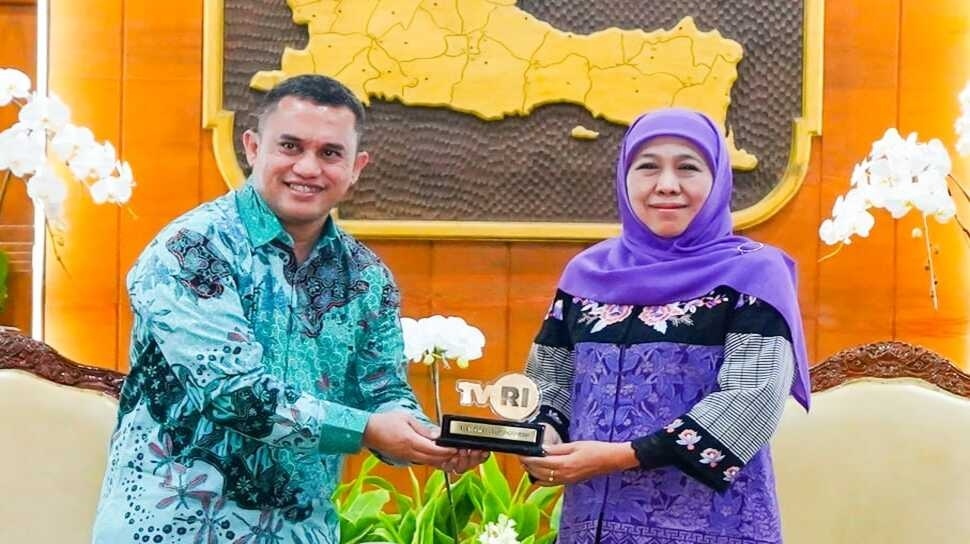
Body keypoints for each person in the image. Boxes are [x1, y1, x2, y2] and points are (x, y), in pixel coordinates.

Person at [91, 75, 484, 543]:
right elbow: (234, 394)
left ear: (356, 167)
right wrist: (368, 429)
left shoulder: (366, 276)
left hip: (301, 530)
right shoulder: (191, 249)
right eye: (290, 146)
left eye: (330, 153)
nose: (308, 167)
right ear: (253, 147)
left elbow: (382, 390)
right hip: (175, 527)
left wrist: (427, 439)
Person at [520, 108, 811, 544]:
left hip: (712, 528)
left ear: (718, 180)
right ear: (624, 177)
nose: (667, 184)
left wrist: (622, 456)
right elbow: (549, 381)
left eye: (688, 168)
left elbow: (750, 399)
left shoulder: (753, 274)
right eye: (648, 167)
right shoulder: (587, 274)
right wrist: (539, 437)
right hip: (591, 526)